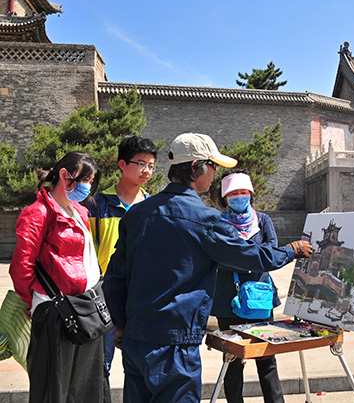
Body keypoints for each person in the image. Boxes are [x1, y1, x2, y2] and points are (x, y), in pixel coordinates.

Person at [103, 133, 313, 403]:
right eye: (212, 166)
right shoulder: (205, 220)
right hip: (174, 344)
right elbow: (252, 257)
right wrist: (292, 250)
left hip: (136, 339)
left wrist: (120, 325)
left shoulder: (137, 214)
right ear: (195, 168)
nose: (215, 174)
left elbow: (115, 277)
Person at [10, 151, 104, 402]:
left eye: (91, 181)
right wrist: (30, 300)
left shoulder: (79, 211)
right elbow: (22, 265)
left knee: (83, 388)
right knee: (54, 388)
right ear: (64, 174)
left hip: (83, 308)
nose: (88, 187)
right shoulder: (38, 212)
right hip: (55, 310)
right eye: (84, 180)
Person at [87, 135, 158, 401]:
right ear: (122, 164)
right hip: (103, 295)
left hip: (141, 296)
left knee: (139, 366)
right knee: (100, 365)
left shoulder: (153, 206)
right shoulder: (97, 204)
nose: (146, 170)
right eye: (141, 163)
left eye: (151, 165)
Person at [211, 169, 284, 403]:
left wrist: (240, 257)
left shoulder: (262, 220)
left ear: (251, 194)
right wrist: (254, 258)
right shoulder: (217, 223)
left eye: (244, 192)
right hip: (228, 301)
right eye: (234, 193)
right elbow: (216, 258)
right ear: (225, 197)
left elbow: (271, 254)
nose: (240, 196)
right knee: (232, 360)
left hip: (260, 297)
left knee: (266, 357)